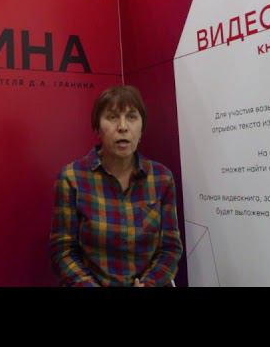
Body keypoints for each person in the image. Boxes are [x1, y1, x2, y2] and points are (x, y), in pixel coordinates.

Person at [49, 85, 183, 287]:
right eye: (112, 117)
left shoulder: (161, 178)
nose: (122, 127)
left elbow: (170, 248)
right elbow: (63, 251)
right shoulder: (72, 178)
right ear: (97, 127)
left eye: (131, 117)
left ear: (142, 128)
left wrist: (148, 284)